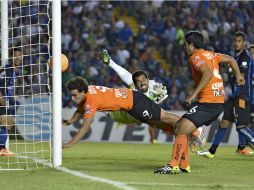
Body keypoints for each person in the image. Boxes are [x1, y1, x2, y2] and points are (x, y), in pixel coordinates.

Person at [154, 31, 245, 174]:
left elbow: (207, 74)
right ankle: (184, 165)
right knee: (180, 127)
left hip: (208, 103)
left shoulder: (195, 57)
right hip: (215, 102)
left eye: (185, 44)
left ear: (191, 44)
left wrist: (192, 95)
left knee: (180, 128)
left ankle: (174, 165)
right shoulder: (211, 54)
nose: (184, 47)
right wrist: (238, 75)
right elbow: (231, 60)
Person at [63, 76, 193, 172]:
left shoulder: (91, 100)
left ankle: (195, 129)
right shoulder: (88, 91)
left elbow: (85, 127)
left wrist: (70, 143)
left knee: (166, 117)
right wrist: (71, 121)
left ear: (82, 92)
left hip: (135, 102)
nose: (73, 99)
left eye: (74, 95)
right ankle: (184, 164)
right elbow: (80, 108)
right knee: (166, 126)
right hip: (132, 105)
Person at [100, 49, 206, 147]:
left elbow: (163, 95)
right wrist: (110, 62)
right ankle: (192, 133)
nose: (141, 84)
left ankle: (194, 131)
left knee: (167, 121)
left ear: (147, 79)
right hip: (121, 113)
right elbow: (124, 73)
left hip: (138, 114)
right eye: (138, 82)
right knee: (166, 121)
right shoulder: (133, 86)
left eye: (143, 80)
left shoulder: (153, 85)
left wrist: (159, 99)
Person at [197, 31, 254, 158]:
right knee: (224, 123)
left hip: (242, 96)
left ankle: (243, 146)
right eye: (235, 40)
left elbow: (241, 76)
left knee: (241, 127)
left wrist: (231, 68)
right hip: (235, 97)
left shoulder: (245, 57)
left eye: (239, 41)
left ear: (244, 42)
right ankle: (211, 152)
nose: (236, 43)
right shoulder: (236, 57)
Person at [0, 47, 22, 156]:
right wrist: (1, 97)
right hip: (1, 99)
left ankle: (2, 148)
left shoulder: (17, 71)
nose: (18, 57)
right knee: (7, 122)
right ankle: (2, 149)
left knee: (7, 123)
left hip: (4, 100)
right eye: (15, 55)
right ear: (11, 57)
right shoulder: (8, 69)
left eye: (20, 55)